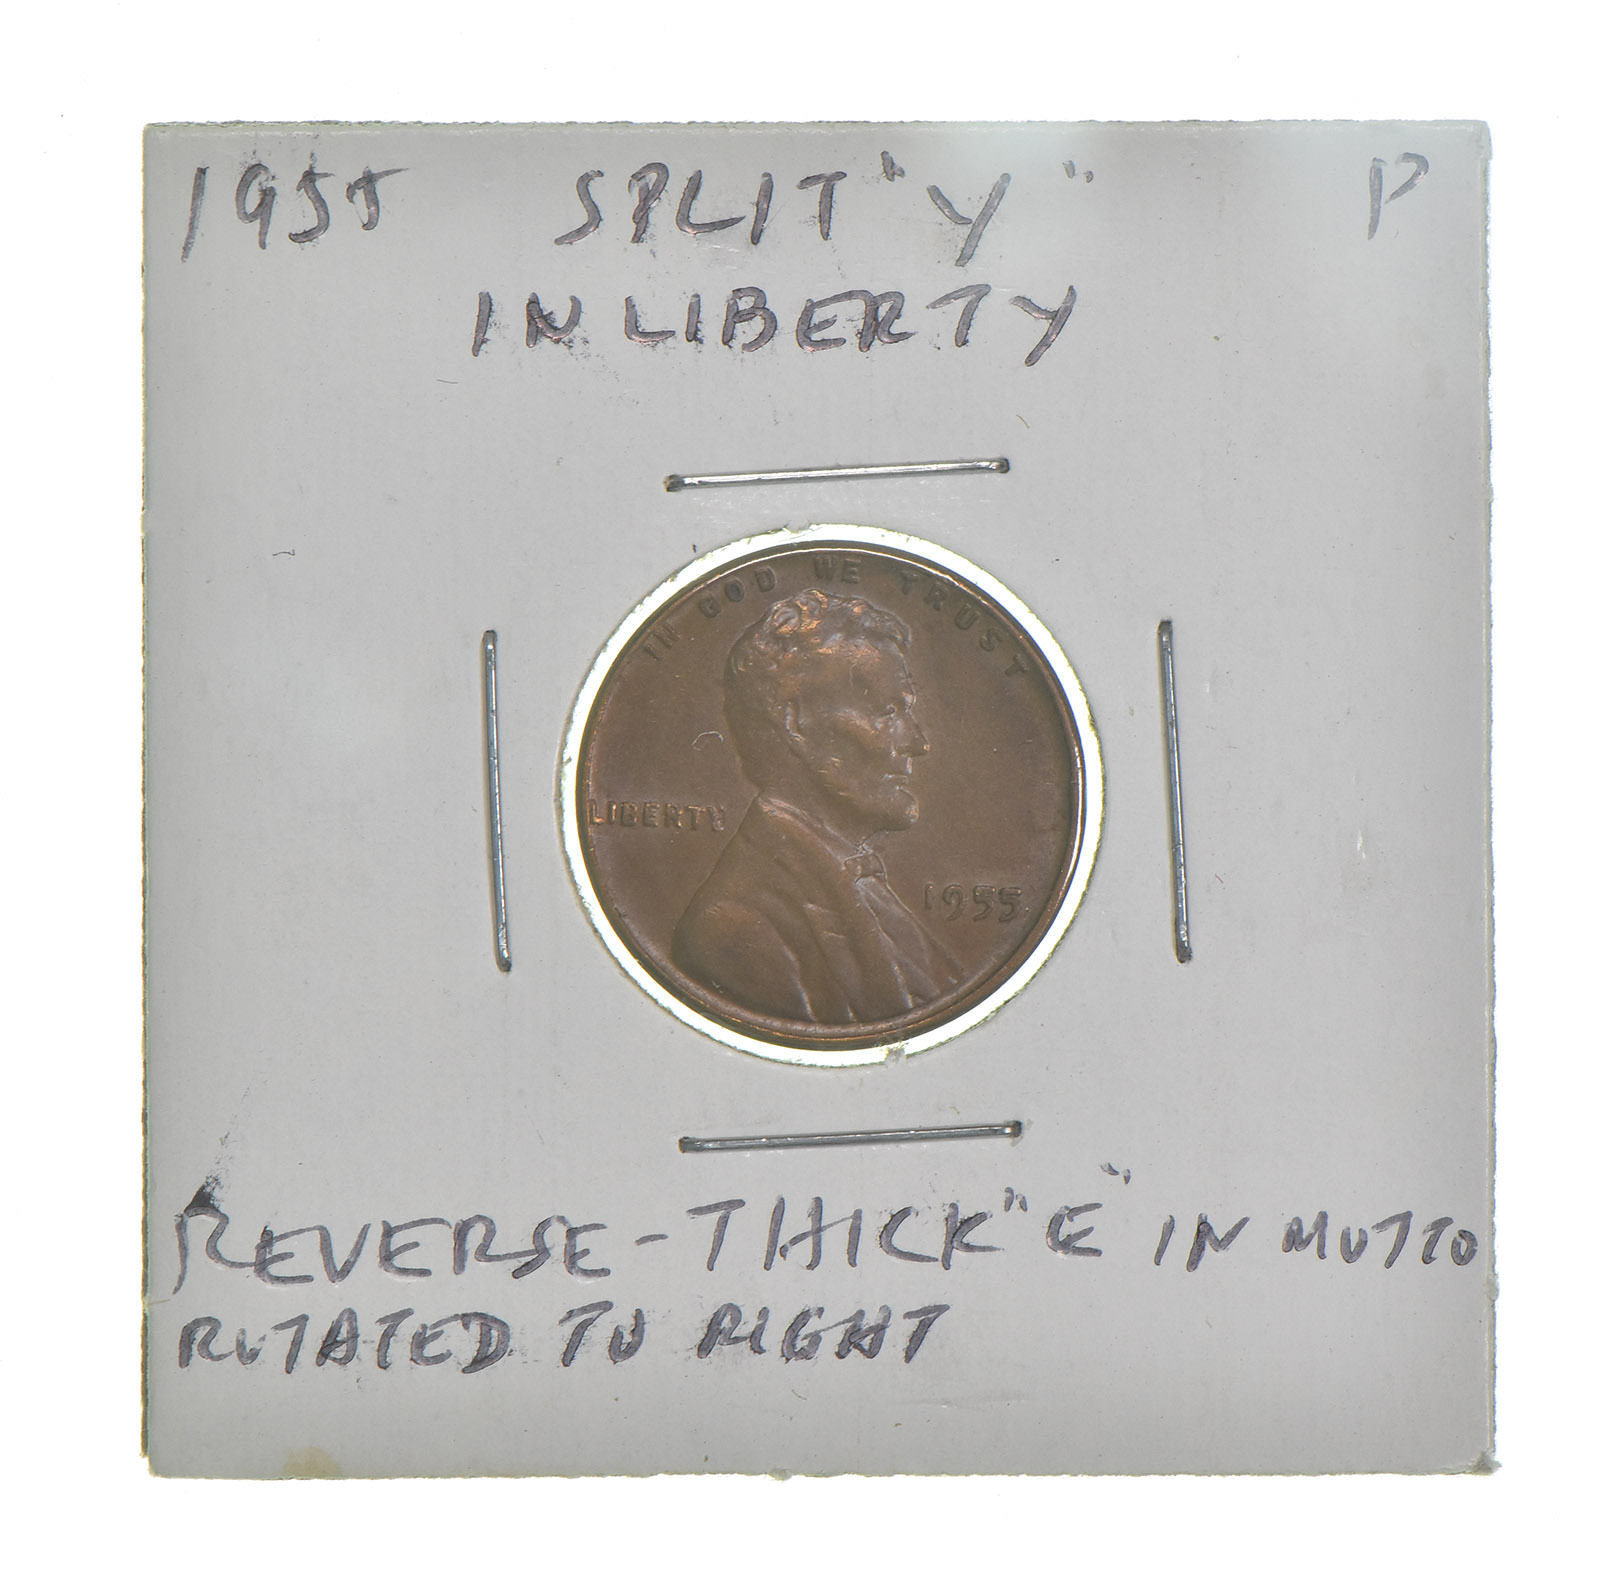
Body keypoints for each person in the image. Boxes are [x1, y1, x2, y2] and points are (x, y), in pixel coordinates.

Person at [673, 589, 962, 1025]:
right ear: (796, 721)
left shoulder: (860, 886)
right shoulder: (734, 929)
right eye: (887, 712)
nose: (917, 743)